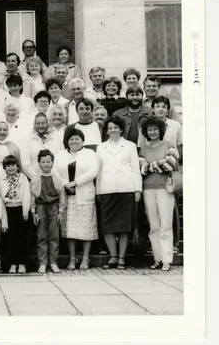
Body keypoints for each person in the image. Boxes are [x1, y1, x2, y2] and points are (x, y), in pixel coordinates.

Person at [96, 115, 142, 270]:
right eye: (110, 128)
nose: (113, 130)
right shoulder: (101, 147)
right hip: (106, 189)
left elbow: (135, 168)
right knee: (107, 226)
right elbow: (99, 171)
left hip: (126, 189)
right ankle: (113, 256)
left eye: (116, 127)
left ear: (121, 129)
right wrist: (98, 192)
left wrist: (138, 190)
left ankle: (122, 257)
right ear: (106, 131)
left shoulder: (130, 146)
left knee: (124, 226)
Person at [54, 128, 99, 270]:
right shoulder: (60, 155)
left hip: (84, 194)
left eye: (77, 139)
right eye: (71, 139)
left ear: (82, 140)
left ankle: (85, 258)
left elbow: (93, 171)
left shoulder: (90, 154)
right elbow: (54, 171)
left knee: (86, 228)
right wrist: (66, 185)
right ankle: (72, 258)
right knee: (69, 230)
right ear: (67, 141)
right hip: (67, 196)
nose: (74, 141)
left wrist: (75, 183)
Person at [139, 116, 179, 271]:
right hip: (148, 189)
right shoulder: (143, 148)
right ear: (146, 132)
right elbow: (141, 169)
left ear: (160, 130)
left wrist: (150, 166)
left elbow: (170, 165)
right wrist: (157, 165)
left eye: (155, 129)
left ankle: (167, 259)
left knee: (166, 225)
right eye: (150, 129)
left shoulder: (169, 144)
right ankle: (158, 259)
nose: (153, 132)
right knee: (154, 226)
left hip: (165, 189)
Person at [30, 149, 66, 273]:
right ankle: (43, 263)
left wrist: (61, 211)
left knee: (54, 235)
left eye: (48, 161)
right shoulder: (35, 179)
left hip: (54, 207)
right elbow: (33, 197)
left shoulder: (57, 178)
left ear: (52, 163)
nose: (46, 164)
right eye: (43, 162)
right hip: (40, 207)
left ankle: (54, 262)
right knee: (42, 235)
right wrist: (33, 212)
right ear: (39, 163)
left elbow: (61, 196)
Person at [0, 155, 31, 274]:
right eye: (8, 166)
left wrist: (25, 212)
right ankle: (12, 263)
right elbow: (1, 197)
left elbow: (26, 195)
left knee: (21, 238)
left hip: (20, 210)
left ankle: (22, 263)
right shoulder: (2, 180)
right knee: (10, 239)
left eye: (13, 165)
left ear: (17, 166)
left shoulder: (22, 178)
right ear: (4, 168)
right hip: (8, 211)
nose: (11, 168)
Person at [20, 113, 64, 181]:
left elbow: (61, 160)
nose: (41, 126)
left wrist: (53, 178)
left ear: (47, 123)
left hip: (55, 179)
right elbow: (26, 164)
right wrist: (38, 179)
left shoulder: (56, 138)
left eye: (43, 123)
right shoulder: (27, 140)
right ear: (34, 124)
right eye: (38, 123)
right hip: (35, 180)